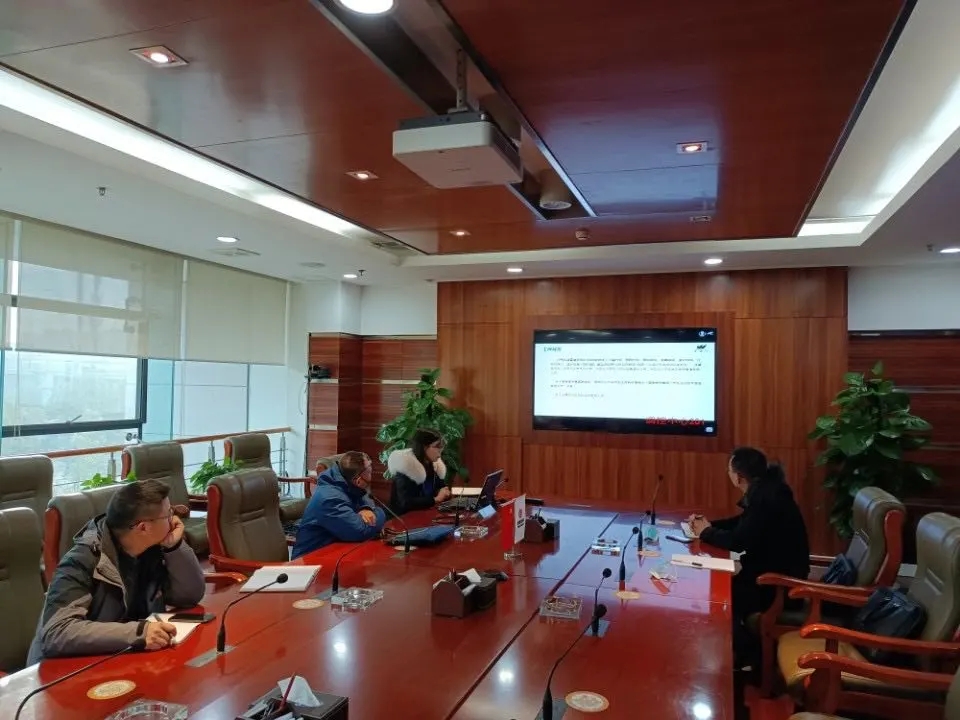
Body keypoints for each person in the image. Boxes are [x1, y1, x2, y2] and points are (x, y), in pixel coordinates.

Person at [28, 479, 206, 663]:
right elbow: (57, 633)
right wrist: (138, 632)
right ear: (143, 527)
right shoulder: (82, 560)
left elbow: (189, 596)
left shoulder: (152, 548)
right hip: (64, 670)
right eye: (168, 514)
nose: (174, 519)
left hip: (121, 656)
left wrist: (174, 547)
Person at [688, 447, 810, 666]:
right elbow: (743, 524)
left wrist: (706, 532)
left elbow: (738, 541)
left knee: (719, 598)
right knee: (723, 588)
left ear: (738, 477)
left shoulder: (766, 499)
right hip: (772, 578)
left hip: (779, 588)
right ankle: (742, 653)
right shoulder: (769, 490)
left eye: (729, 471)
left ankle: (748, 656)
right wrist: (709, 527)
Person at [292, 451, 386, 558]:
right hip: (310, 560)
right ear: (359, 481)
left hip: (335, 551)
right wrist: (380, 512)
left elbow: (364, 498)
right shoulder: (329, 499)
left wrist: (366, 508)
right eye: (369, 471)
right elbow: (360, 531)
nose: (372, 474)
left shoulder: (345, 481)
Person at [387, 428, 451, 515]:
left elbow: (441, 487)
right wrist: (436, 499)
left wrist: (444, 492)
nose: (440, 450)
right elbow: (405, 502)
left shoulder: (432, 465)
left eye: (441, 447)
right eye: (437, 446)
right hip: (404, 517)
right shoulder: (406, 467)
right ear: (424, 447)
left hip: (425, 514)